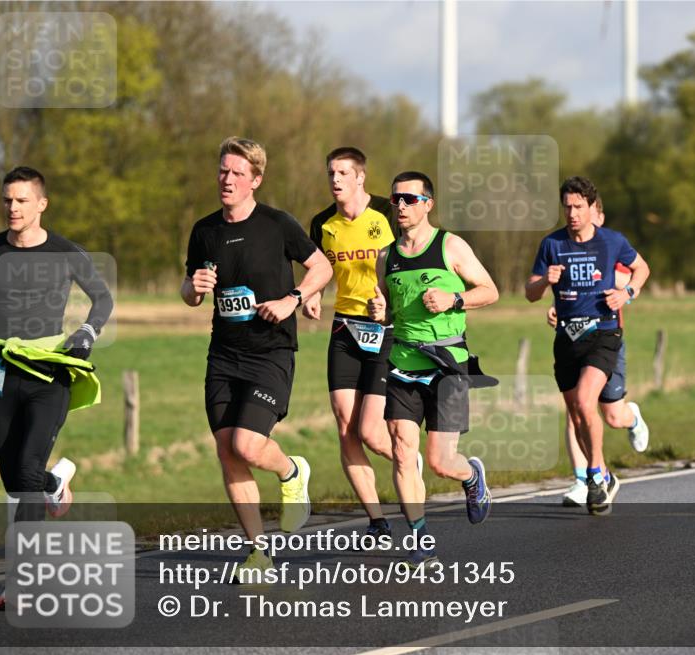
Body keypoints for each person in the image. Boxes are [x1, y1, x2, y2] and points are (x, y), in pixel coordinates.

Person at [182, 137, 332, 578]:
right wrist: (195, 288)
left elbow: (322, 267)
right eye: (223, 171)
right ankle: (258, 553)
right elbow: (188, 291)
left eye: (237, 174)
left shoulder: (277, 224)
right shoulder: (204, 230)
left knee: (248, 444)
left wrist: (293, 299)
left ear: (256, 180)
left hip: (271, 351)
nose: (227, 180)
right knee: (228, 451)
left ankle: (290, 471)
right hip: (224, 354)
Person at [0, 166, 114, 610]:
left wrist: (87, 332)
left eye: (22, 200)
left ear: (41, 204)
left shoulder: (66, 252)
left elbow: (102, 298)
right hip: (4, 372)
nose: (13, 207)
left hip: (51, 374)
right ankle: (56, 480)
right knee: (15, 480)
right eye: (7, 200)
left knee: (26, 471)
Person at [368, 171, 498, 569]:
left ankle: (472, 476)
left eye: (410, 199)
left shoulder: (450, 245)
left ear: (428, 203)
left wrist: (454, 298)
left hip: (448, 365)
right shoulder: (385, 257)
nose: (401, 207)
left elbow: (490, 291)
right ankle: (421, 539)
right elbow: (390, 308)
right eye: (395, 200)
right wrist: (380, 312)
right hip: (404, 364)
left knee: (441, 462)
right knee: (403, 453)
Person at [307, 147, 419, 542]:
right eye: (330, 173)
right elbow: (318, 269)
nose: (335, 180)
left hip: (387, 330)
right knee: (345, 427)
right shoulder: (322, 223)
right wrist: (310, 295)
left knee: (372, 432)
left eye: (342, 172)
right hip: (345, 331)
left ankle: (411, 459)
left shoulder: (389, 216)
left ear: (360, 178)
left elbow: (413, 262)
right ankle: (377, 522)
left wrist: (389, 300)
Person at [527, 176, 650, 515]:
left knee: (586, 400)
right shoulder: (551, 244)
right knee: (579, 415)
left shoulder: (612, 242)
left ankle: (594, 474)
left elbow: (642, 269)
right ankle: (603, 476)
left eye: (578, 207)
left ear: (592, 208)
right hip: (567, 337)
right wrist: (544, 284)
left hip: (604, 333)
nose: (572, 213)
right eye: (566, 206)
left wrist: (626, 294)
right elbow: (530, 292)